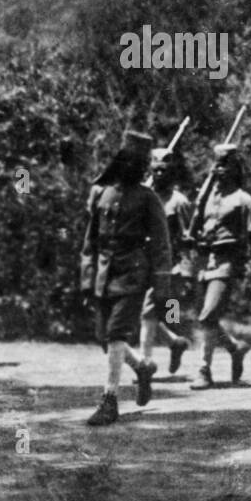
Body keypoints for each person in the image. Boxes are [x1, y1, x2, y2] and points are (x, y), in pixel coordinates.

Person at [80, 131, 171, 424]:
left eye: (138, 163)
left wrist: (161, 287)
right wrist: (86, 279)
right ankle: (142, 367)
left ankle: (109, 400)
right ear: (120, 161)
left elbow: (161, 245)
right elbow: (89, 241)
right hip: (104, 275)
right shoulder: (101, 193)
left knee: (117, 333)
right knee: (105, 340)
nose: (132, 167)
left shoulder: (148, 198)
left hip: (133, 274)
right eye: (127, 161)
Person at [189, 144, 251, 390]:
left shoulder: (243, 200)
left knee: (208, 315)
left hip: (227, 261)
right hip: (204, 261)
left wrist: (247, 271)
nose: (220, 169)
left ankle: (204, 369)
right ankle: (234, 348)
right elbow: (196, 228)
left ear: (235, 168)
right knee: (205, 318)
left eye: (225, 165)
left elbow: (250, 238)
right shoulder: (206, 198)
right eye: (217, 164)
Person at [140, 146, 194, 375]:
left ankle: (145, 363)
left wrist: (188, 271)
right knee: (145, 312)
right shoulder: (144, 195)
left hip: (169, 267)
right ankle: (174, 342)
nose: (160, 174)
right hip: (143, 263)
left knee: (158, 313)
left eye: (164, 170)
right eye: (156, 170)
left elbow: (187, 239)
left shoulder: (179, 202)